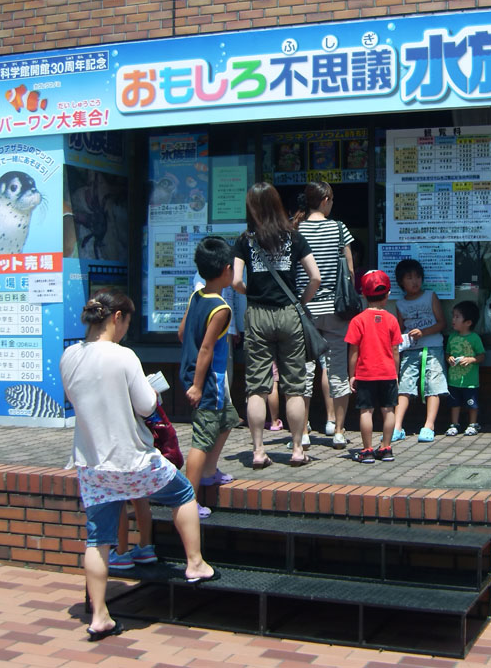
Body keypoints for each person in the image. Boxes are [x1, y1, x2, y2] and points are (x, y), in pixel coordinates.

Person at [60, 292, 214, 642]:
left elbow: (75, 397)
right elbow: (146, 405)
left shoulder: (69, 355)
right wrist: (152, 391)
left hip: (92, 462)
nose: (126, 330)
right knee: (183, 493)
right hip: (132, 458)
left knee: (97, 538)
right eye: (126, 323)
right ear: (117, 317)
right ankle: (195, 563)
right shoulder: (123, 355)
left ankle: (99, 616)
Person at [232, 182, 320, 468]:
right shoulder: (294, 237)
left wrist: (252, 293)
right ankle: (297, 449)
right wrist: (300, 301)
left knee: (257, 387)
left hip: (257, 314)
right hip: (289, 313)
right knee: (294, 386)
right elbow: (315, 277)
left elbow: (236, 281)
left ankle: (258, 451)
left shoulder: (245, 240)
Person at [292, 181, 356, 450]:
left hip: (304, 309)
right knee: (337, 370)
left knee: (304, 373)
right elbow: (350, 271)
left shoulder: (295, 229)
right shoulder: (339, 228)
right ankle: (339, 431)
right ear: (325, 200)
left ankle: (303, 432)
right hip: (335, 309)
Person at [178, 236, 238, 518]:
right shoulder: (221, 309)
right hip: (208, 381)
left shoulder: (197, 296)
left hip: (197, 374)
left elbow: (182, 333)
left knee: (228, 419)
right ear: (226, 270)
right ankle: (188, 501)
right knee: (202, 439)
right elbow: (206, 348)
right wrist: (198, 386)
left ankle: (209, 471)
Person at [345, 270, 402, 463]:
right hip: (388, 372)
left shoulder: (357, 320)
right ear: (387, 295)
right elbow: (395, 350)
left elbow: (353, 351)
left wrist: (352, 374)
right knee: (389, 410)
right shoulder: (392, 320)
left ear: (363, 294)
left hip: (365, 373)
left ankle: (367, 450)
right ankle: (386, 447)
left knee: (366, 411)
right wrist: (396, 373)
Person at [392, 258, 448, 443]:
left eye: (417, 277)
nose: (415, 281)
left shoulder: (430, 296)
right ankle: (397, 426)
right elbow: (400, 330)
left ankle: (429, 425)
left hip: (433, 347)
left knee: (433, 385)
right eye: (409, 278)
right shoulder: (400, 304)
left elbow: (442, 323)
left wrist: (423, 332)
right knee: (405, 385)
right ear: (401, 282)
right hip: (410, 349)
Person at [444, 300, 487, 437]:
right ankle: (454, 424)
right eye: (453, 316)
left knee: (472, 403)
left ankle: (473, 423)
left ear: (468, 322)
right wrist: (449, 358)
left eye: (457, 317)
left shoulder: (474, 338)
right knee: (454, 403)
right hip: (454, 379)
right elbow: (447, 353)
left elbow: (482, 355)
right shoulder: (452, 337)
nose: (453, 319)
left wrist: (471, 360)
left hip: (470, 381)